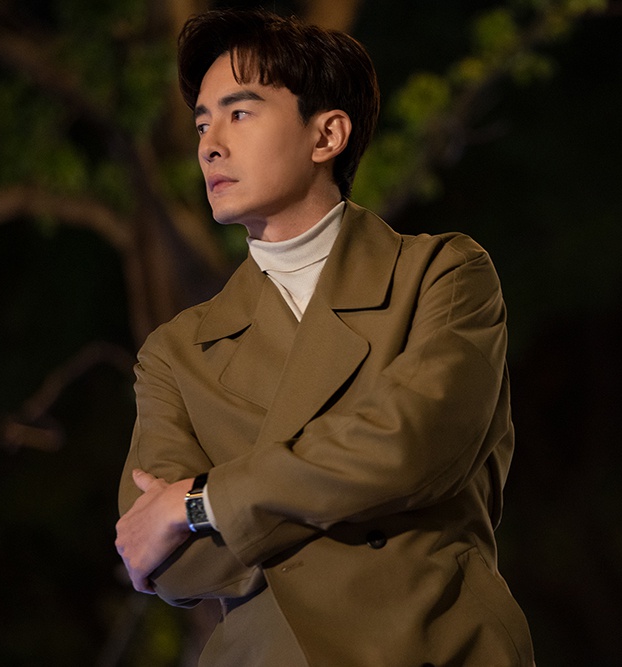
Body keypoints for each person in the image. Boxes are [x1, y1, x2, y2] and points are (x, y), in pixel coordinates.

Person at [115, 7, 534, 665]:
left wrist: (202, 500)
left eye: (239, 113)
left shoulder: (442, 275)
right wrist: (349, 486)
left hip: (436, 646)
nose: (209, 144)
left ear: (327, 134)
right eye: (201, 123)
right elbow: (169, 562)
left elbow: (412, 445)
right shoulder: (176, 351)